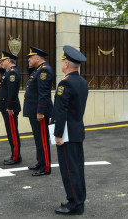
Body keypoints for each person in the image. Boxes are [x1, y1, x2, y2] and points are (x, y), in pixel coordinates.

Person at [52, 45, 88, 215]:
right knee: (77, 168)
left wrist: (57, 134)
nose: (62, 64)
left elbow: (61, 111)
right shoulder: (81, 81)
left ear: (66, 64)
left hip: (66, 133)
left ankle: (74, 204)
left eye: (63, 61)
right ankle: (79, 199)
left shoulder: (65, 83)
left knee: (69, 169)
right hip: (77, 131)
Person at [23, 46, 53, 176]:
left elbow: (44, 93)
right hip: (34, 110)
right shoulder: (37, 70)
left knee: (42, 140)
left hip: (39, 112)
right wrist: (31, 65)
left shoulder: (44, 71)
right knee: (38, 139)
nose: (28, 59)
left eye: (31, 57)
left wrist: (41, 111)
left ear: (38, 58)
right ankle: (40, 162)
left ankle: (45, 167)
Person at [0, 51, 22, 165]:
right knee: (10, 132)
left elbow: (12, 92)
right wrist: (1, 67)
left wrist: (10, 107)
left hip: (9, 108)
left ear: (9, 61)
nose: (0, 62)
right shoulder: (8, 72)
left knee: (12, 132)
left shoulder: (12, 73)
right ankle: (14, 154)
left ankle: (16, 157)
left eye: (2, 60)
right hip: (6, 107)